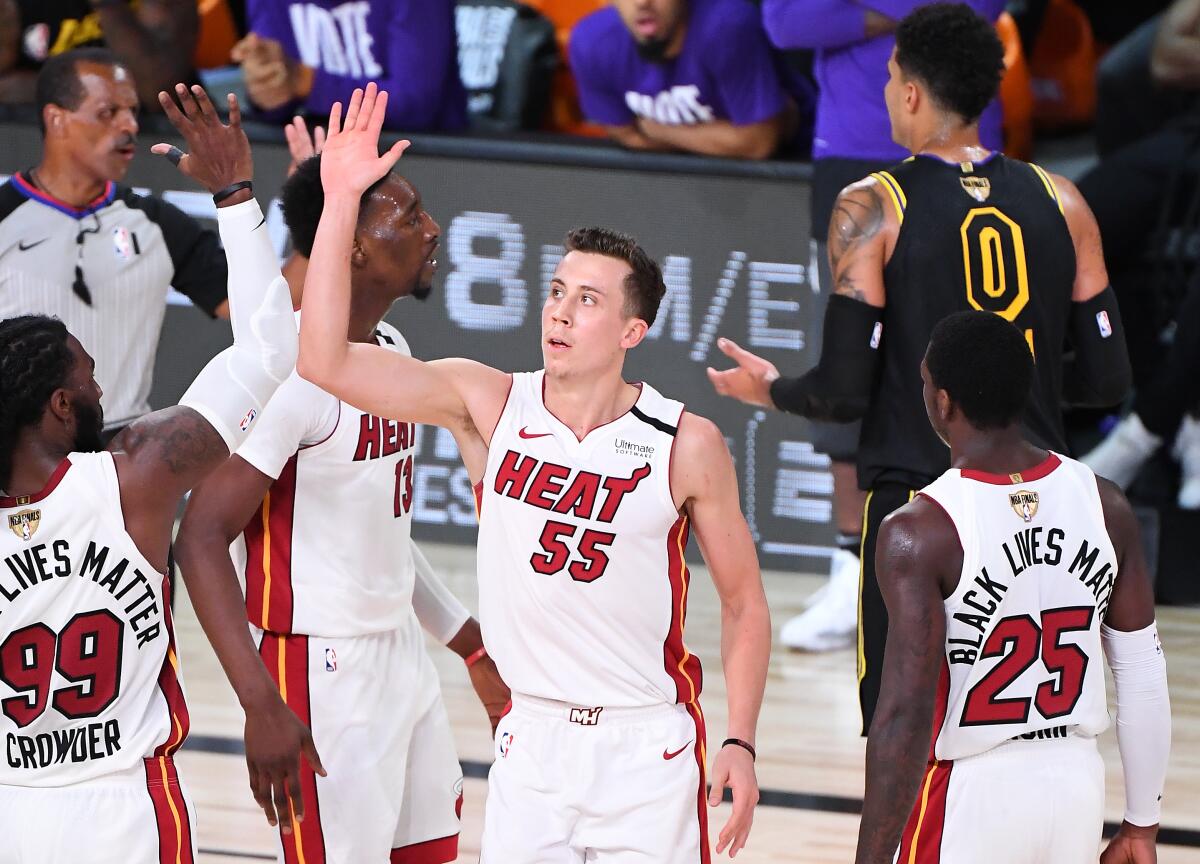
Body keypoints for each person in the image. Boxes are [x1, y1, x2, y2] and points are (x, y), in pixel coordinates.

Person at [297, 83, 771, 861]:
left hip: (644, 746)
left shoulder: (686, 442)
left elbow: (746, 605)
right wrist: (341, 200)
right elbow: (321, 361)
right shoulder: (487, 402)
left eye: (586, 301)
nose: (558, 312)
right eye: (556, 293)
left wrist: (742, 743)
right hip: (532, 742)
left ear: (631, 330)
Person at [707, 2, 1131, 733]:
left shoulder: (872, 206)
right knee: (1024, 726)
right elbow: (1106, 382)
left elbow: (841, 393)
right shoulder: (1066, 201)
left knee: (908, 727)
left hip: (916, 502)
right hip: (1038, 503)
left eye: (891, 78)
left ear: (908, 92)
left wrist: (769, 389)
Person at [175, 152, 510, 862]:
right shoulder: (287, 373)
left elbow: (381, 532)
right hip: (317, 673)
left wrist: (466, 639)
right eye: (410, 215)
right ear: (352, 246)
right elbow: (200, 536)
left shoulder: (392, 348)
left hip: (401, 657)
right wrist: (260, 700)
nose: (432, 227)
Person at [0, 83, 298, 862]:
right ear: (65, 406)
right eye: (90, 379)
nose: (105, 389)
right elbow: (269, 352)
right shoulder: (139, 481)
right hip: (120, 807)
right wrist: (235, 194)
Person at [854, 310, 1170, 864]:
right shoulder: (1105, 503)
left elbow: (903, 713)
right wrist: (1141, 824)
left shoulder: (920, 530)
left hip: (971, 792)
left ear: (943, 401)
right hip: (1076, 785)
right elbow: (1142, 671)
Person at [759, 0, 1005, 652]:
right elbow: (787, 23)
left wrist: (862, 13)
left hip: (963, 149)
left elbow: (974, 13)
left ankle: (977, 553)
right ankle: (852, 564)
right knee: (850, 353)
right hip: (847, 148)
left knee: (962, 351)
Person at [0, 48, 230, 442]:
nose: (129, 126)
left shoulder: (156, 222)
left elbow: (260, 307)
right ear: (56, 119)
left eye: (132, 111)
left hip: (124, 455)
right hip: (14, 453)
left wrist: (306, 213)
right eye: (108, 112)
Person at [568, 0, 814, 159]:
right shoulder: (592, 41)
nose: (642, 3)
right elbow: (624, 134)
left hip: (792, 172)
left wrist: (654, 128)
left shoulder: (727, 26)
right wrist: (725, 140)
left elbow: (758, 143)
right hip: (681, 190)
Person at [234, 0, 467, 132]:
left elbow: (417, 105)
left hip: (429, 167)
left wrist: (307, 83)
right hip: (314, 159)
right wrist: (266, 86)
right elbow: (276, 101)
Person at [0, 0, 198, 107]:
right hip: (45, 148)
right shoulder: (12, 8)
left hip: (159, 151)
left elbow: (155, 94)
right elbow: (8, 91)